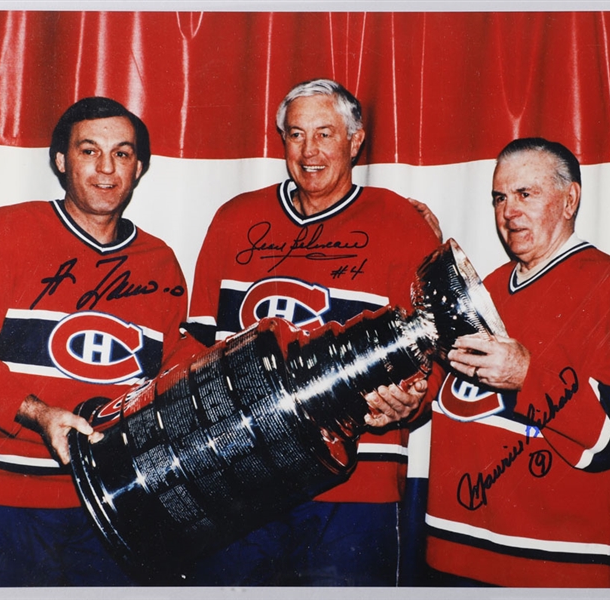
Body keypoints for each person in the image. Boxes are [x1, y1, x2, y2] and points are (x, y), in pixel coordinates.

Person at [183, 78, 442, 586]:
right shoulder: (236, 219)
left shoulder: (400, 223)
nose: (310, 151)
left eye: (325, 134)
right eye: (296, 135)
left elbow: (432, 353)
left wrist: (416, 399)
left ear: (355, 140)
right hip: (243, 479)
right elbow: (193, 346)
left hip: (355, 490)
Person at [0, 97, 192, 587]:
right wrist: (41, 414)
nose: (106, 168)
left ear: (140, 167)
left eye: (122, 153)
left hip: (115, 509)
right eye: (89, 151)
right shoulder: (2, 231)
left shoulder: (161, 262)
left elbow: (172, 379)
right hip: (1, 504)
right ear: (60, 161)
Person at [423, 138, 610, 587]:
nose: (509, 211)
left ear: (570, 200)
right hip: (454, 555)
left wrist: (528, 376)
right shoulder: (484, 291)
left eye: (526, 194)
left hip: (563, 567)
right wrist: (408, 398)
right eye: (500, 197)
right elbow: (444, 395)